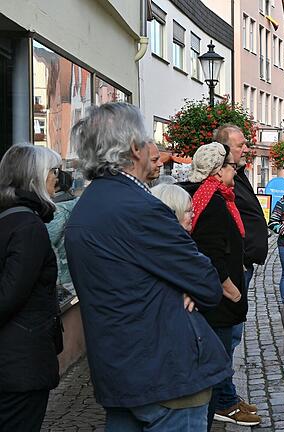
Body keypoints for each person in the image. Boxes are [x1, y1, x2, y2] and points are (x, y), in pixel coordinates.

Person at [64, 102, 231, 430]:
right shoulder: (140, 208)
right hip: (166, 376)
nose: (153, 147)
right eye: (148, 139)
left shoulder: (87, 206)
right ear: (133, 148)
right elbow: (208, 284)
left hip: (120, 373)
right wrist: (186, 285)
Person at [179, 143, 261, 428]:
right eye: (229, 167)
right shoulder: (212, 203)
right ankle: (217, 408)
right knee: (218, 359)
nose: (233, 171)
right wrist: (232, 290)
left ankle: (222, 401)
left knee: (219, 356)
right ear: (216, 172)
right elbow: (211, 252)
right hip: (219, 301)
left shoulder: (215, 196)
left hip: (219, 297)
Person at [0, 144, 63, 432]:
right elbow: (9, 295)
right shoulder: (28, 225)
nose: (57, 179)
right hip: (20, 365)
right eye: (52, 171)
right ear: (34, 178)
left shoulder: (11, 219)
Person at [213, 124, 268, 421]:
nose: (246, 148)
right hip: (234, 271)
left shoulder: (240, 175)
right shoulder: (220, 183)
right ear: (224, 149)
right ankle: (224, 400)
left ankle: (228, 393)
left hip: (242, 267)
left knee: (233, 335)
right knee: (228, 336)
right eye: (241, 145)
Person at [46, 170, 79, 302]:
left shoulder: (57, 212)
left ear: (56, 184)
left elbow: (42, 242)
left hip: (63, 278)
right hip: (75, 272)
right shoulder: (76, 203)